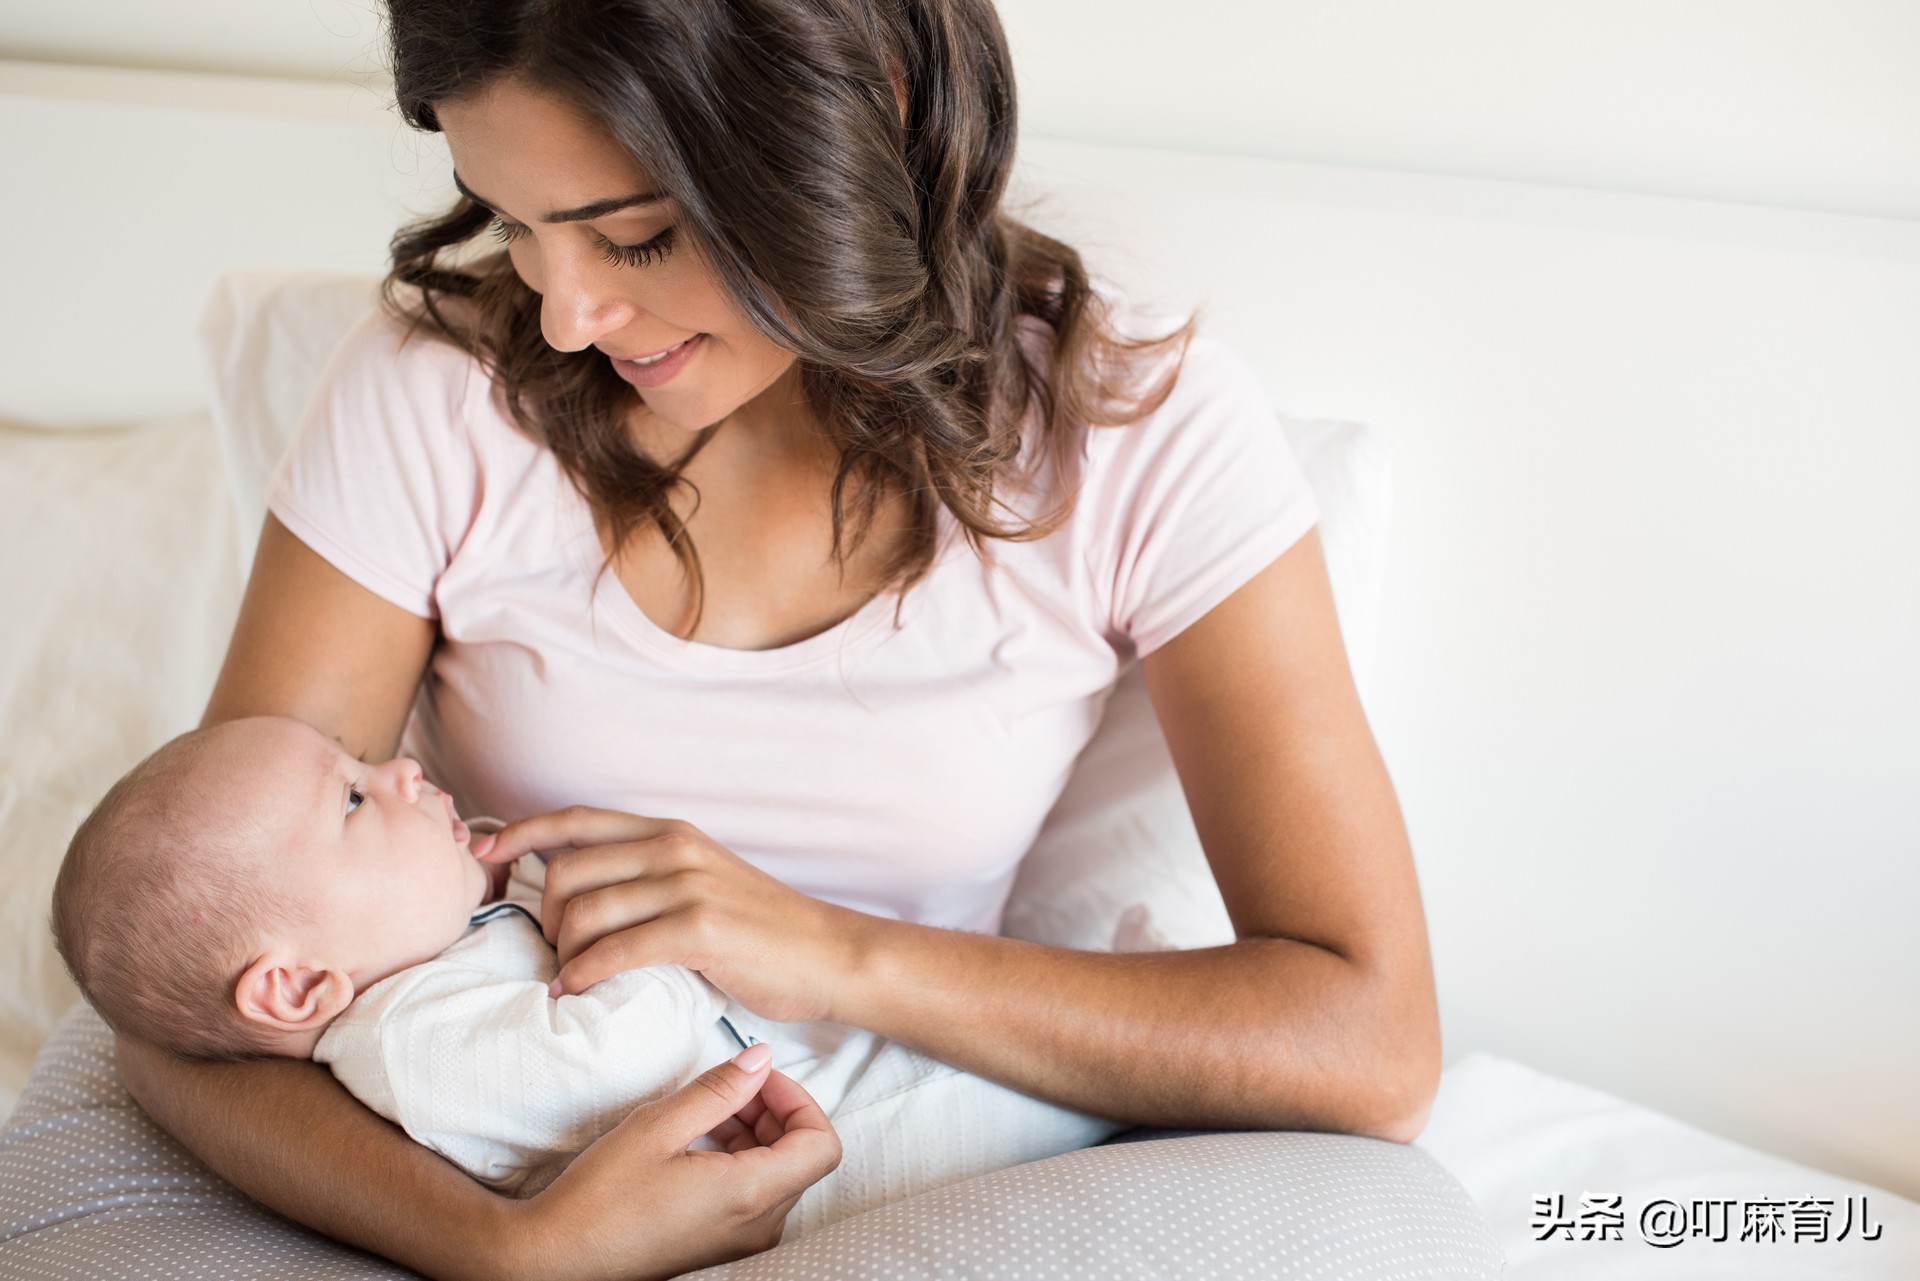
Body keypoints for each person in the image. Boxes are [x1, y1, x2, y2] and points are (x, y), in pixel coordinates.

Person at [113, 0, 1442, 1277]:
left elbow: (1370, 1043)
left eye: (629, 237)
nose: (565, 313)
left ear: (859, 124)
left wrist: (824, 948)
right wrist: (512, 1249)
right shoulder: (436, 393)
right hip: (508, 1164)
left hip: (914, 1149)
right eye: (514, 222)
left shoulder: (1128, 430)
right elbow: (190, 989)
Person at [54, 716, 1121, 1238]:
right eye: (352, 802)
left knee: (1042, 1049)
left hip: (814, 1070)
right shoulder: (414, 1044)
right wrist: (587, 925)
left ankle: (1121, 1024)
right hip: (852, 1143)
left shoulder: (437, 958)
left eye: (358, 760)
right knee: (1028, 1094)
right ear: (293, 991)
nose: (401, 768)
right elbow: (622, 1053)